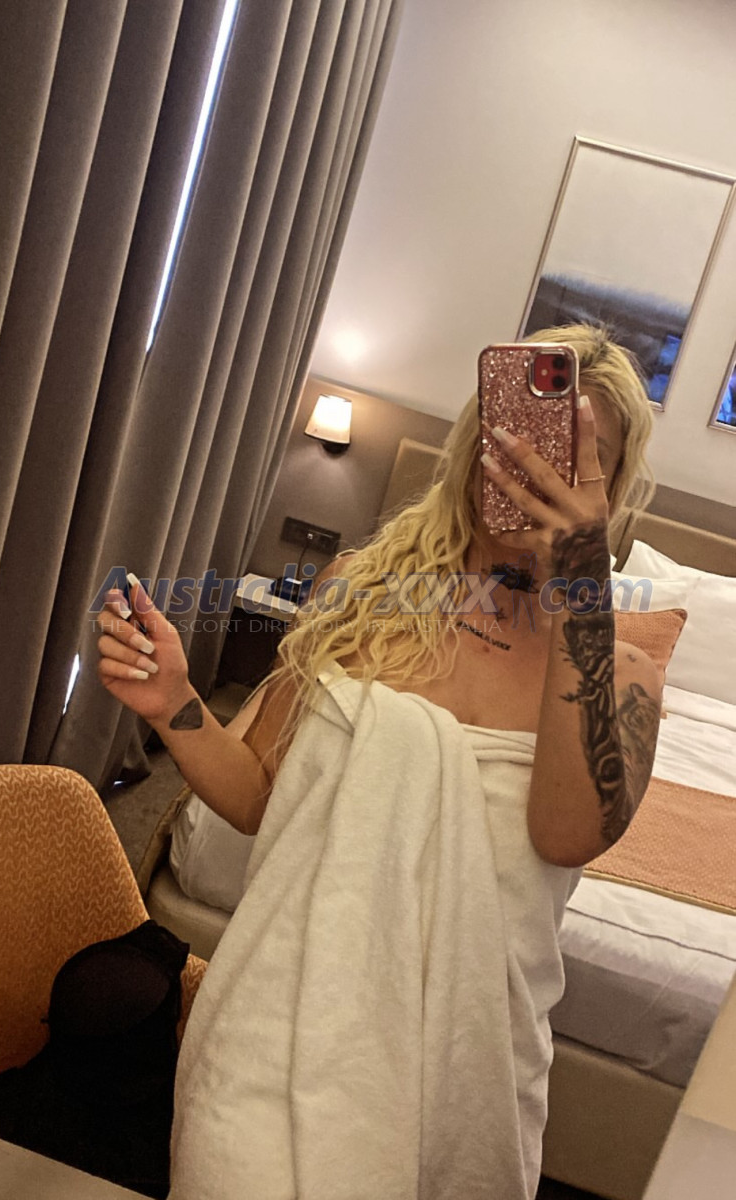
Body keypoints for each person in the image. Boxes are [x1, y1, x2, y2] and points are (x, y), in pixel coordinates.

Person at [96, 323, 662, 1199]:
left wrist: (578, 590)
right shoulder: (358, 593)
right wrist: (174, 701)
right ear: (480, 440)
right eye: (524, 434)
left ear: (610, 492)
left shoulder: (618, 674)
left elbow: (566, 833)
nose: (537, 467)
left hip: (463, 1076)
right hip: (275, 1025)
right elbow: (260, 797)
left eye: (579, 455)